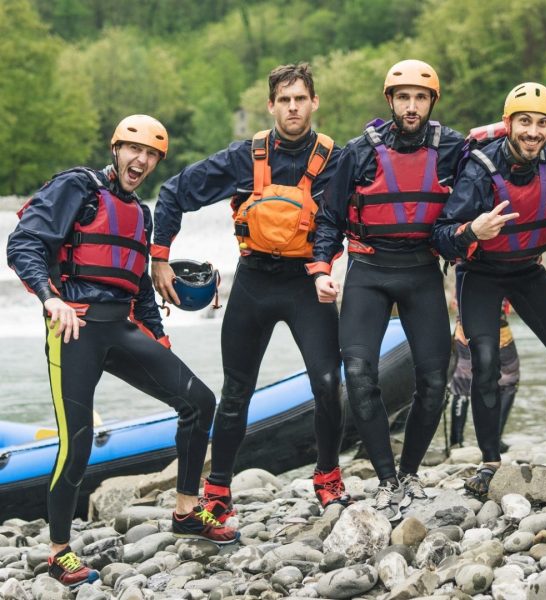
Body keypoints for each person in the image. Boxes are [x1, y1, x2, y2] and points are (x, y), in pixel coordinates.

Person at [7, 115, 238, 588]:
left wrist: (159, 339)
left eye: (151, 154)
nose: (142, 160)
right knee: (78, 442)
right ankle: (58, 552)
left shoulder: (142, 214)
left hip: (121, 327)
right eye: (134, 149)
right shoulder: (78, 187)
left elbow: (139, 288)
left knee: (199, 401)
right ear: (116, 148)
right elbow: (23, 243)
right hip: (74, 327)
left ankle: (186, 511)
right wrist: (51, 300)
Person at [151, 64, 350, 514]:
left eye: (301, 98)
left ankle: (328, 475)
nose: (293, 107)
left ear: (314, 102)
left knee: (325, 383)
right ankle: (218, 489)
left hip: (308, 285)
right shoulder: (244, 157)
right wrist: (159, 256)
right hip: (254, 283)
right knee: (237, 390)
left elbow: (357, 211)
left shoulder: (337, 160)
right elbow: (172, 192)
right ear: (271, 106)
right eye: (284, 100)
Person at [310, 59, 463, 520]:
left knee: (435, 380)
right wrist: (321, 268)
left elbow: (487, 175)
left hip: (421, 272)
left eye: (420, 97)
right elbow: (330, 217)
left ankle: (411, 474)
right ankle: (386, 480)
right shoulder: (358, 152)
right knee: (358, 374)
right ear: (390, 101)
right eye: (403, 97)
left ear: (431, 102)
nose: (411, 106)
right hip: (369, 270)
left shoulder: (451, 147)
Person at [432, 82, 546, 497]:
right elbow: (442, 235)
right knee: (485, 362)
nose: (533, 132)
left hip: (526, 271)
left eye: (542, 123)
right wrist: (472, 229)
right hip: (480, 274)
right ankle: (489, 462)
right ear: (508, 124)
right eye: (525, 122)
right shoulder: (478, 170)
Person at [449, 299, 520, 451]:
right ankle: (494, 440)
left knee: (462, 383)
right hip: (497, 328)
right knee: (509, 380)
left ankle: (456, 442)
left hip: (465, 328)